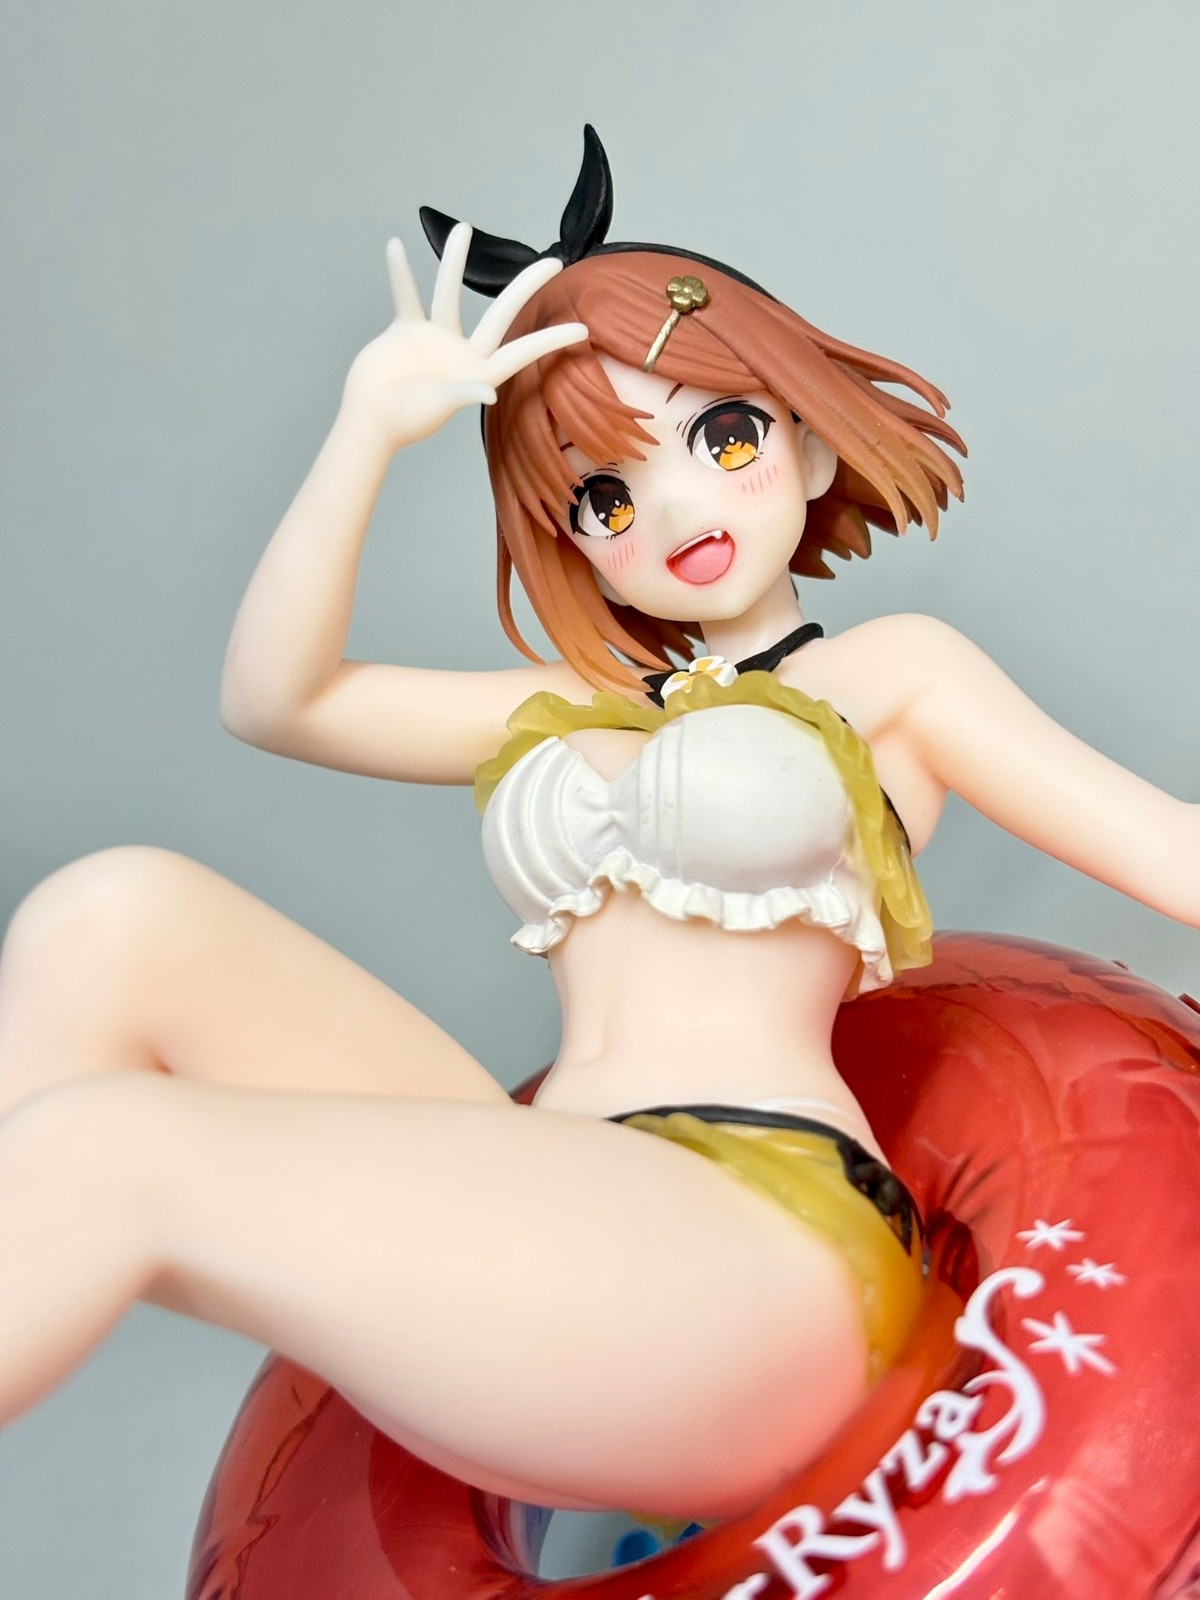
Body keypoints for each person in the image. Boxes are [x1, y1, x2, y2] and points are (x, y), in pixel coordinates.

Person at [0, 130, 1195, 1526]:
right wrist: (367, 431)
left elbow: (1174, 850)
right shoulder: (576, 702)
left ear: (810, 441)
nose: (676, 507)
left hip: (754, 1240)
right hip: (554, 1195)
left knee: (116, 1147)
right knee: (112, 913)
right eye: (608, 497)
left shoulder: (895, 679)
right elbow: (279, 699)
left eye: (723, 437)